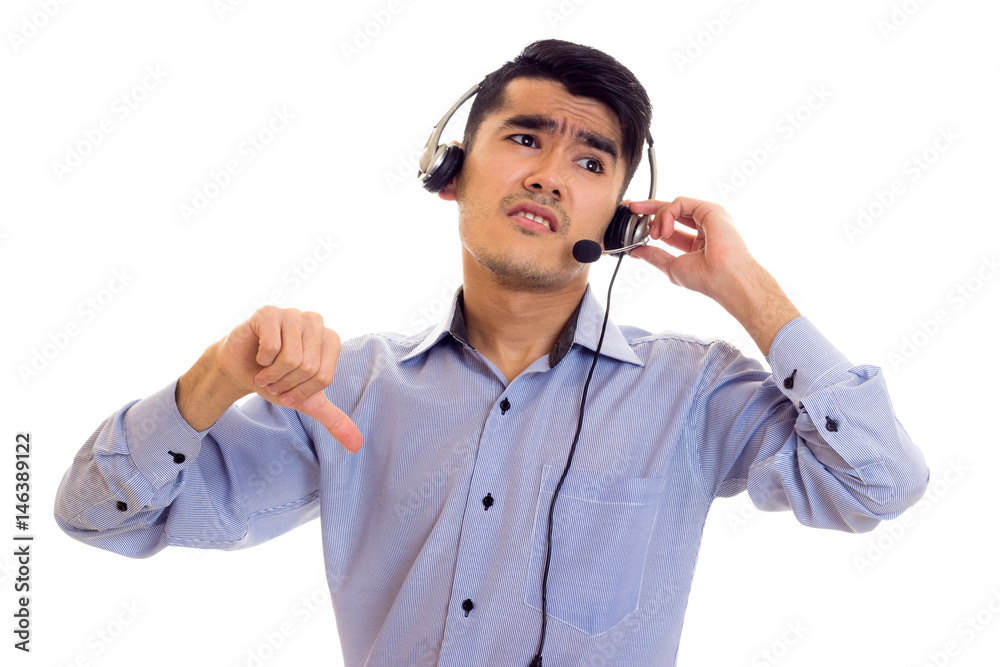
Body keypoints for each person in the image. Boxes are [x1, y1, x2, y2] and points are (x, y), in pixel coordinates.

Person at [54, 39, 930, 666]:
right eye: (524, 138)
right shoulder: (347, 390)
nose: (551, 173)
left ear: (622, 219)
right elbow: (97, 514)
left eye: (593, 162)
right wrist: (217, 377)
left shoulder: (693, 391)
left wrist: (746, 287)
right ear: (452, 173)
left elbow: (879, 484)